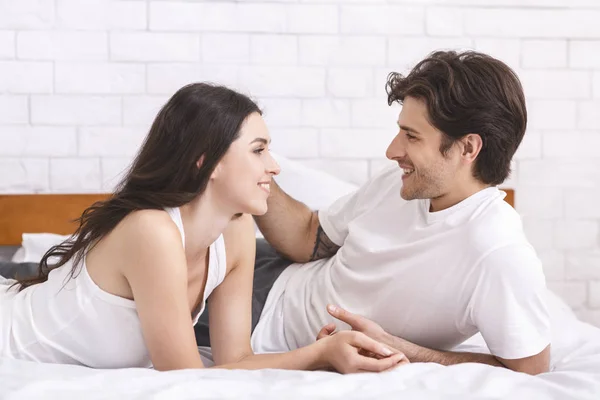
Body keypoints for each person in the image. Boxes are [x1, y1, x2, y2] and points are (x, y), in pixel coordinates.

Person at [0, 83, 408, 373]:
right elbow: (186, 379)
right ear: (206, 163)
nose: (275, 166)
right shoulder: (152, 232)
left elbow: (234, 361)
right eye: (258, 150)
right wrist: (315, 357)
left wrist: (320, 354)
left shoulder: (238, 232)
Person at [196, 50, 551, 375]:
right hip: (271, 262)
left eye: (412, 137)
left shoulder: (498, 255)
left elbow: (530, 370)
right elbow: (308, 237)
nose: (392, 151)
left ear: (468, 148)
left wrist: (405, 350)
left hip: (261, 322)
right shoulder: (403, 181)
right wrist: (247, 170)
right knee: (171, 226)